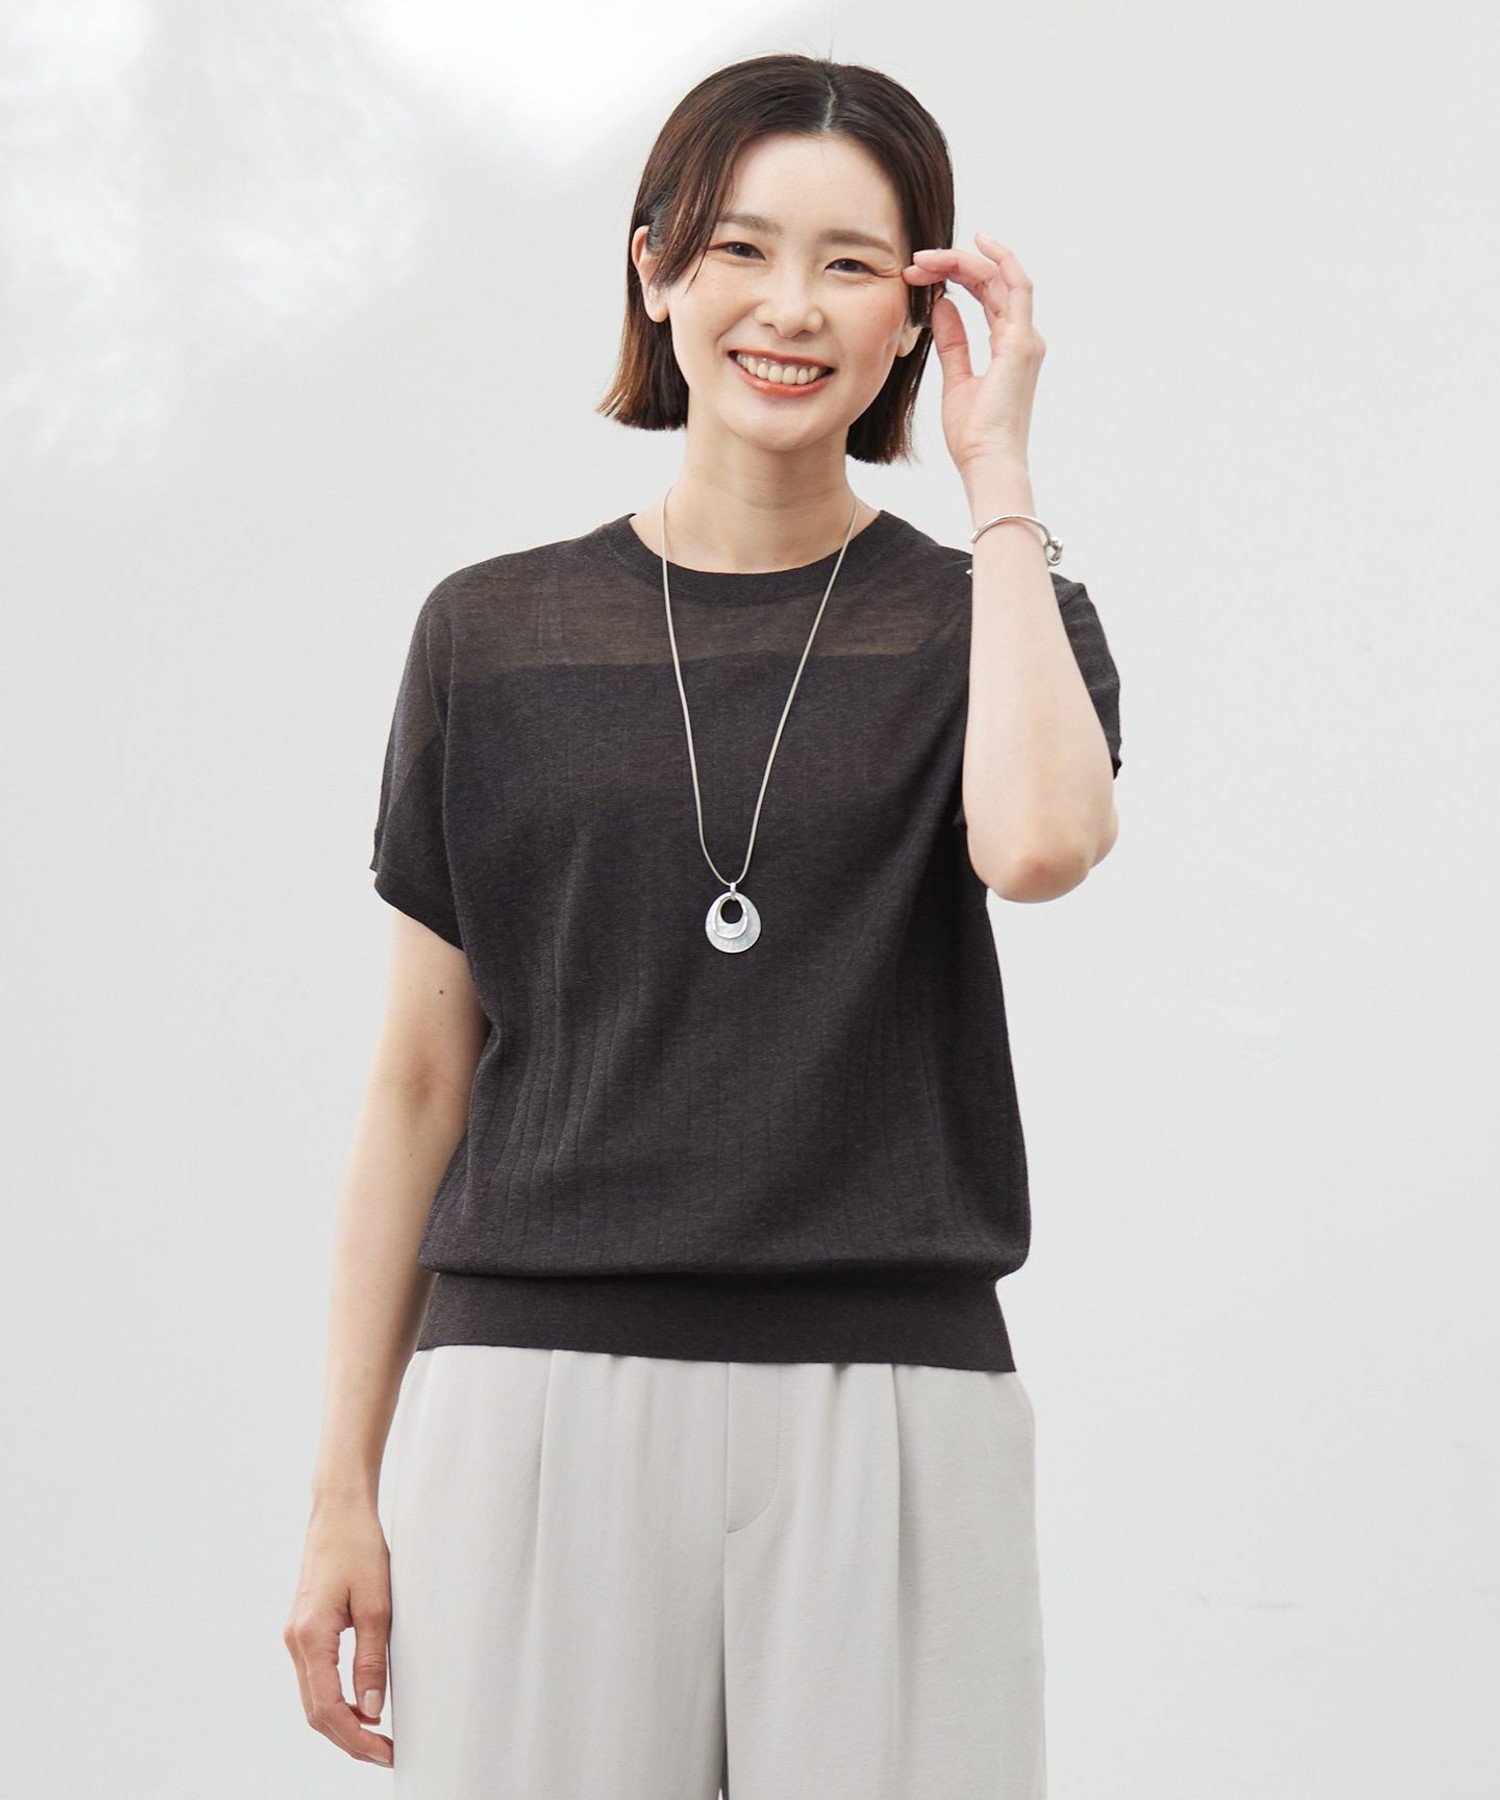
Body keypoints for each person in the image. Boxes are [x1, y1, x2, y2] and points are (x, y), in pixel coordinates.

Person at [284, 50, 1122, 1800]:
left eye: (850, 263)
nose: (789, 307)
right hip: (531, 1395)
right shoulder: (490, 634)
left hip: (888, 1397)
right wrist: (342, 1488)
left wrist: (999, 476)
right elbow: (420, 1081)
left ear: (918, 314)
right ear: (656, 270)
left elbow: (1043, 844)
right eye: (741, 247)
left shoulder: (990, 614)